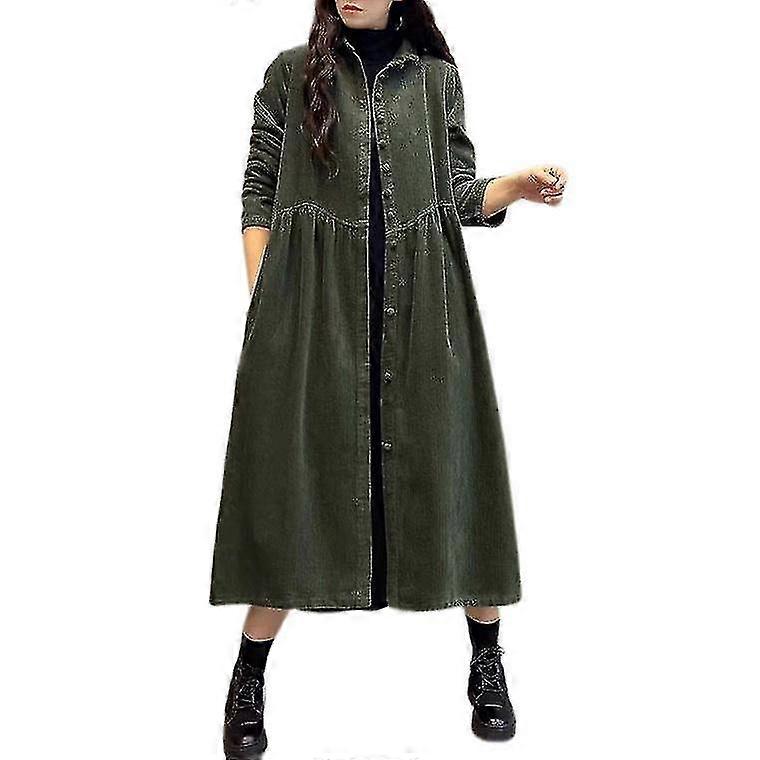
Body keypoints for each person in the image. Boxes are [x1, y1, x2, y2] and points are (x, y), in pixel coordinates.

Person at [210, 1, 568, 757]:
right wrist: (267, 304)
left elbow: (457, 193)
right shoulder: (291, 73)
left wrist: (514, 187)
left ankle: (486, 660)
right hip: (315, 313)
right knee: (291, 487)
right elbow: (258, 189)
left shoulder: (435, 78)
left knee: (456, 470)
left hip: (424, 309)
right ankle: (249, 673)